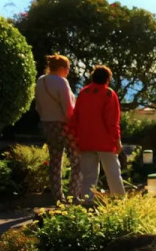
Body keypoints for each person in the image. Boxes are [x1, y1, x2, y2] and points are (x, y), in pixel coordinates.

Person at [71, 65, 125, 200]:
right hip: (105, 141)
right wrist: (117, 140)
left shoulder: (83, 93)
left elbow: (75, 117)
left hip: (86, 140)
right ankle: (119, 200)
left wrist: (76, 138)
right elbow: (112, 121)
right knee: (113, 173)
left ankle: (87, 201)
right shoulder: (108, 94)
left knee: (88, 175)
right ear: (107, 79)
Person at [34, 53, 81, 203]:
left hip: (47, 124)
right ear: (61, 68)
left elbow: (38, 106)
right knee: (77, 160)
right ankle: (73, 195)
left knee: (55, 161)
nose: (68, 71)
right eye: (67, 68)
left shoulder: (40, 81)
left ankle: (58, 197)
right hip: (64, 125)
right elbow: (68, 109)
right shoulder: (61, 82)